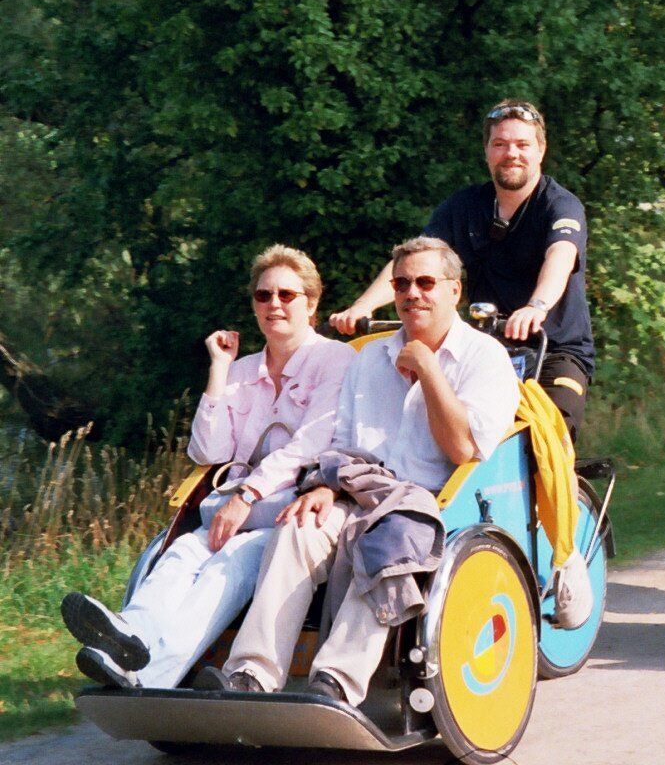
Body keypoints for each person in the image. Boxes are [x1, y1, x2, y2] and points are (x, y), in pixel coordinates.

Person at [200, 238, 520, 705]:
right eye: (403, 283)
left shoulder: (484, 357)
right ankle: (252, 674)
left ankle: (336, 681)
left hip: (433, 501)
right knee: (298, 526)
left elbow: (463, 448)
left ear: (454, 291)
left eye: (426, 282)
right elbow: (344, 444)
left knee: (389, 539)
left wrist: (429, 370)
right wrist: (327, 486)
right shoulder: (370, 358)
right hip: (358, 492)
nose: (413, 293)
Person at [60, 247, 355, 690]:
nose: (274, 304)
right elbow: (205, 451)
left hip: (287, 513)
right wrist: (219, 371)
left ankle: (154, 677)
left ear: (311, 304)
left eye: (287, 295)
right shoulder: (242, 369)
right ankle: (126, 639)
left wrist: (247, 495)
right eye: (263, 295)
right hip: (230, 508)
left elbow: (308, 443)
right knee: (180, 556)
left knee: (227, 567)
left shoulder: (335, 360)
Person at [330, 99, 594, 438]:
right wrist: (363, 307)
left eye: (522, 144)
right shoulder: (466, 206)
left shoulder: (559, 205)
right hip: (487, 351)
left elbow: (560, 256)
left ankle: (566, 491)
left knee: (546, 442)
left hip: (554, 349)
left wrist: (536, 307)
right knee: (444, 432)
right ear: (487, 152)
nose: (511, 153)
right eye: (500, 144)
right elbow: (414, 260)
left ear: (541, 151)